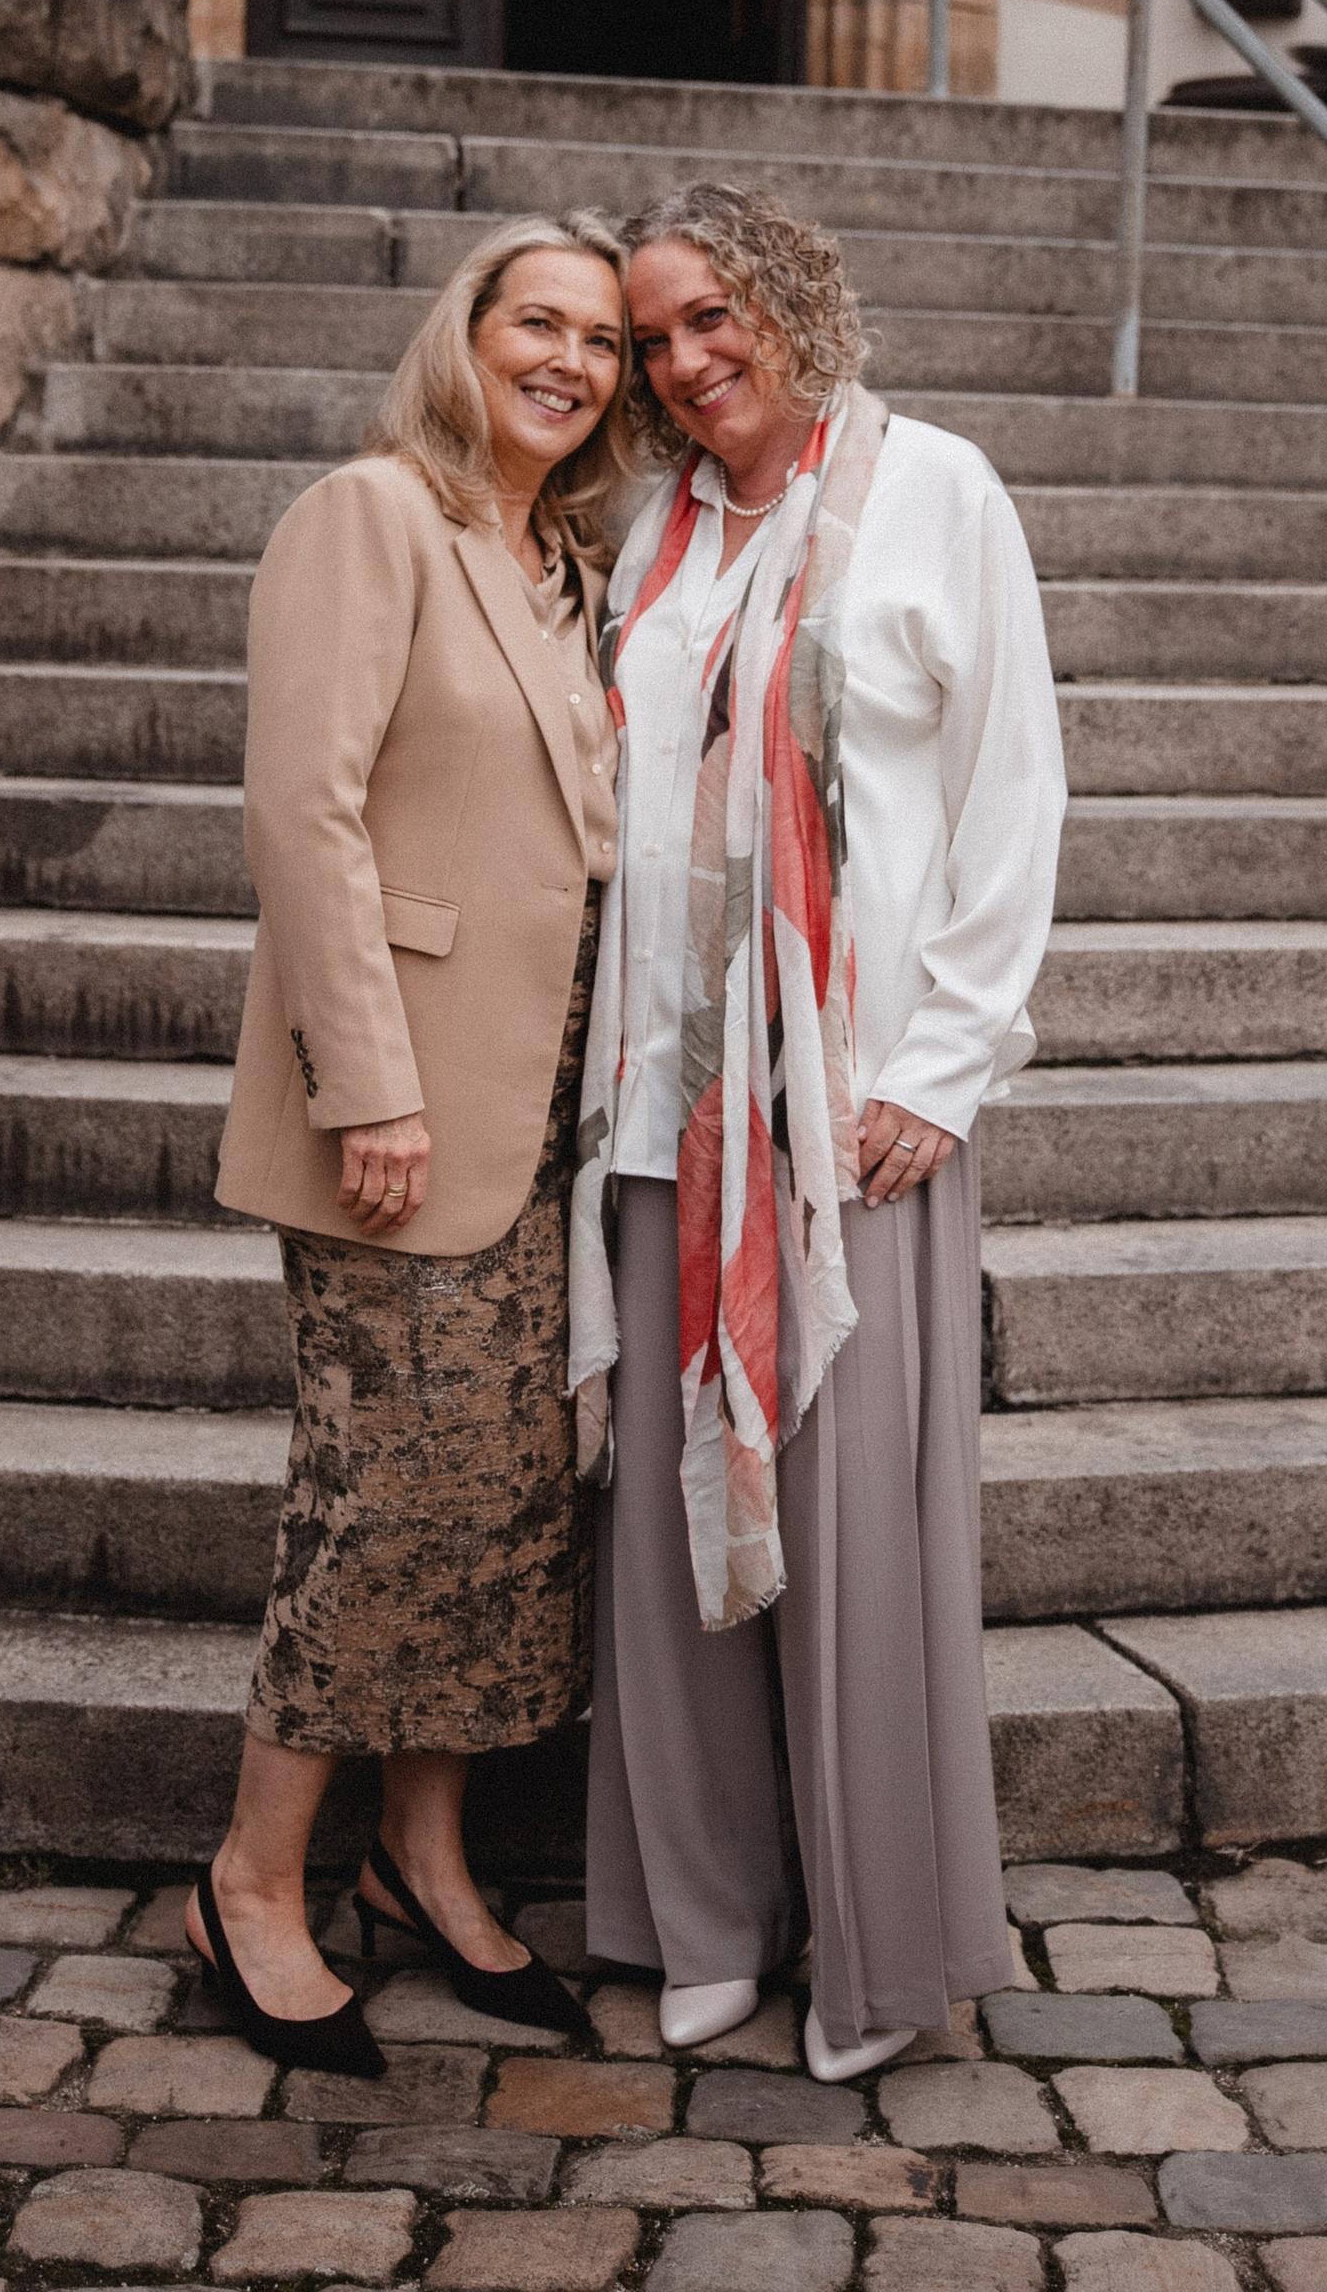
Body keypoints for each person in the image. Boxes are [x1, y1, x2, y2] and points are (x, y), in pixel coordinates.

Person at [572, 179, 1065, 2082]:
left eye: (712, 318)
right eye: (653, 342)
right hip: (661, 1107)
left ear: (784, 300)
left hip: (854, 1110)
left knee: (852, 1549)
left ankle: (876, 1946)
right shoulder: (655, 537)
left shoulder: (937, 489)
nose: (688, 365)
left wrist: (941, 1069)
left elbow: (1010, 789)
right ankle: (697, 1913)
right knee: (665, 1541)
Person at [195, 213, 637, 2075]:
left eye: (605, 341)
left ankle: (427, 1863)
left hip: (546, 1115)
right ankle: (252, 1877)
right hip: (401, 1106)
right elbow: (304, 811)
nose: (574, 359)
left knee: (502, 1515)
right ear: (464, 335)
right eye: (539, 319)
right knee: (380, 1510)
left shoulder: (565, 563)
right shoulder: (370, 513)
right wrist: (366, 1081)